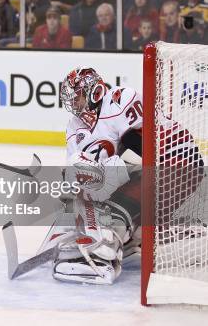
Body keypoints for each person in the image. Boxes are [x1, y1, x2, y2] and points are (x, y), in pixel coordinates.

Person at [54, 67, 204, 285]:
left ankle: (102, 256)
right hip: (148, 172)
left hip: (177, 164)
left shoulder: (120, 99)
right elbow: (78, 170)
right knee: (85, 178)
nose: (74, 105)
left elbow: (142, 150)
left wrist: (104, 176)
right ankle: (130, 242)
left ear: (94, 92)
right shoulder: (75, 127)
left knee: (108, 193)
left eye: (77, 98)